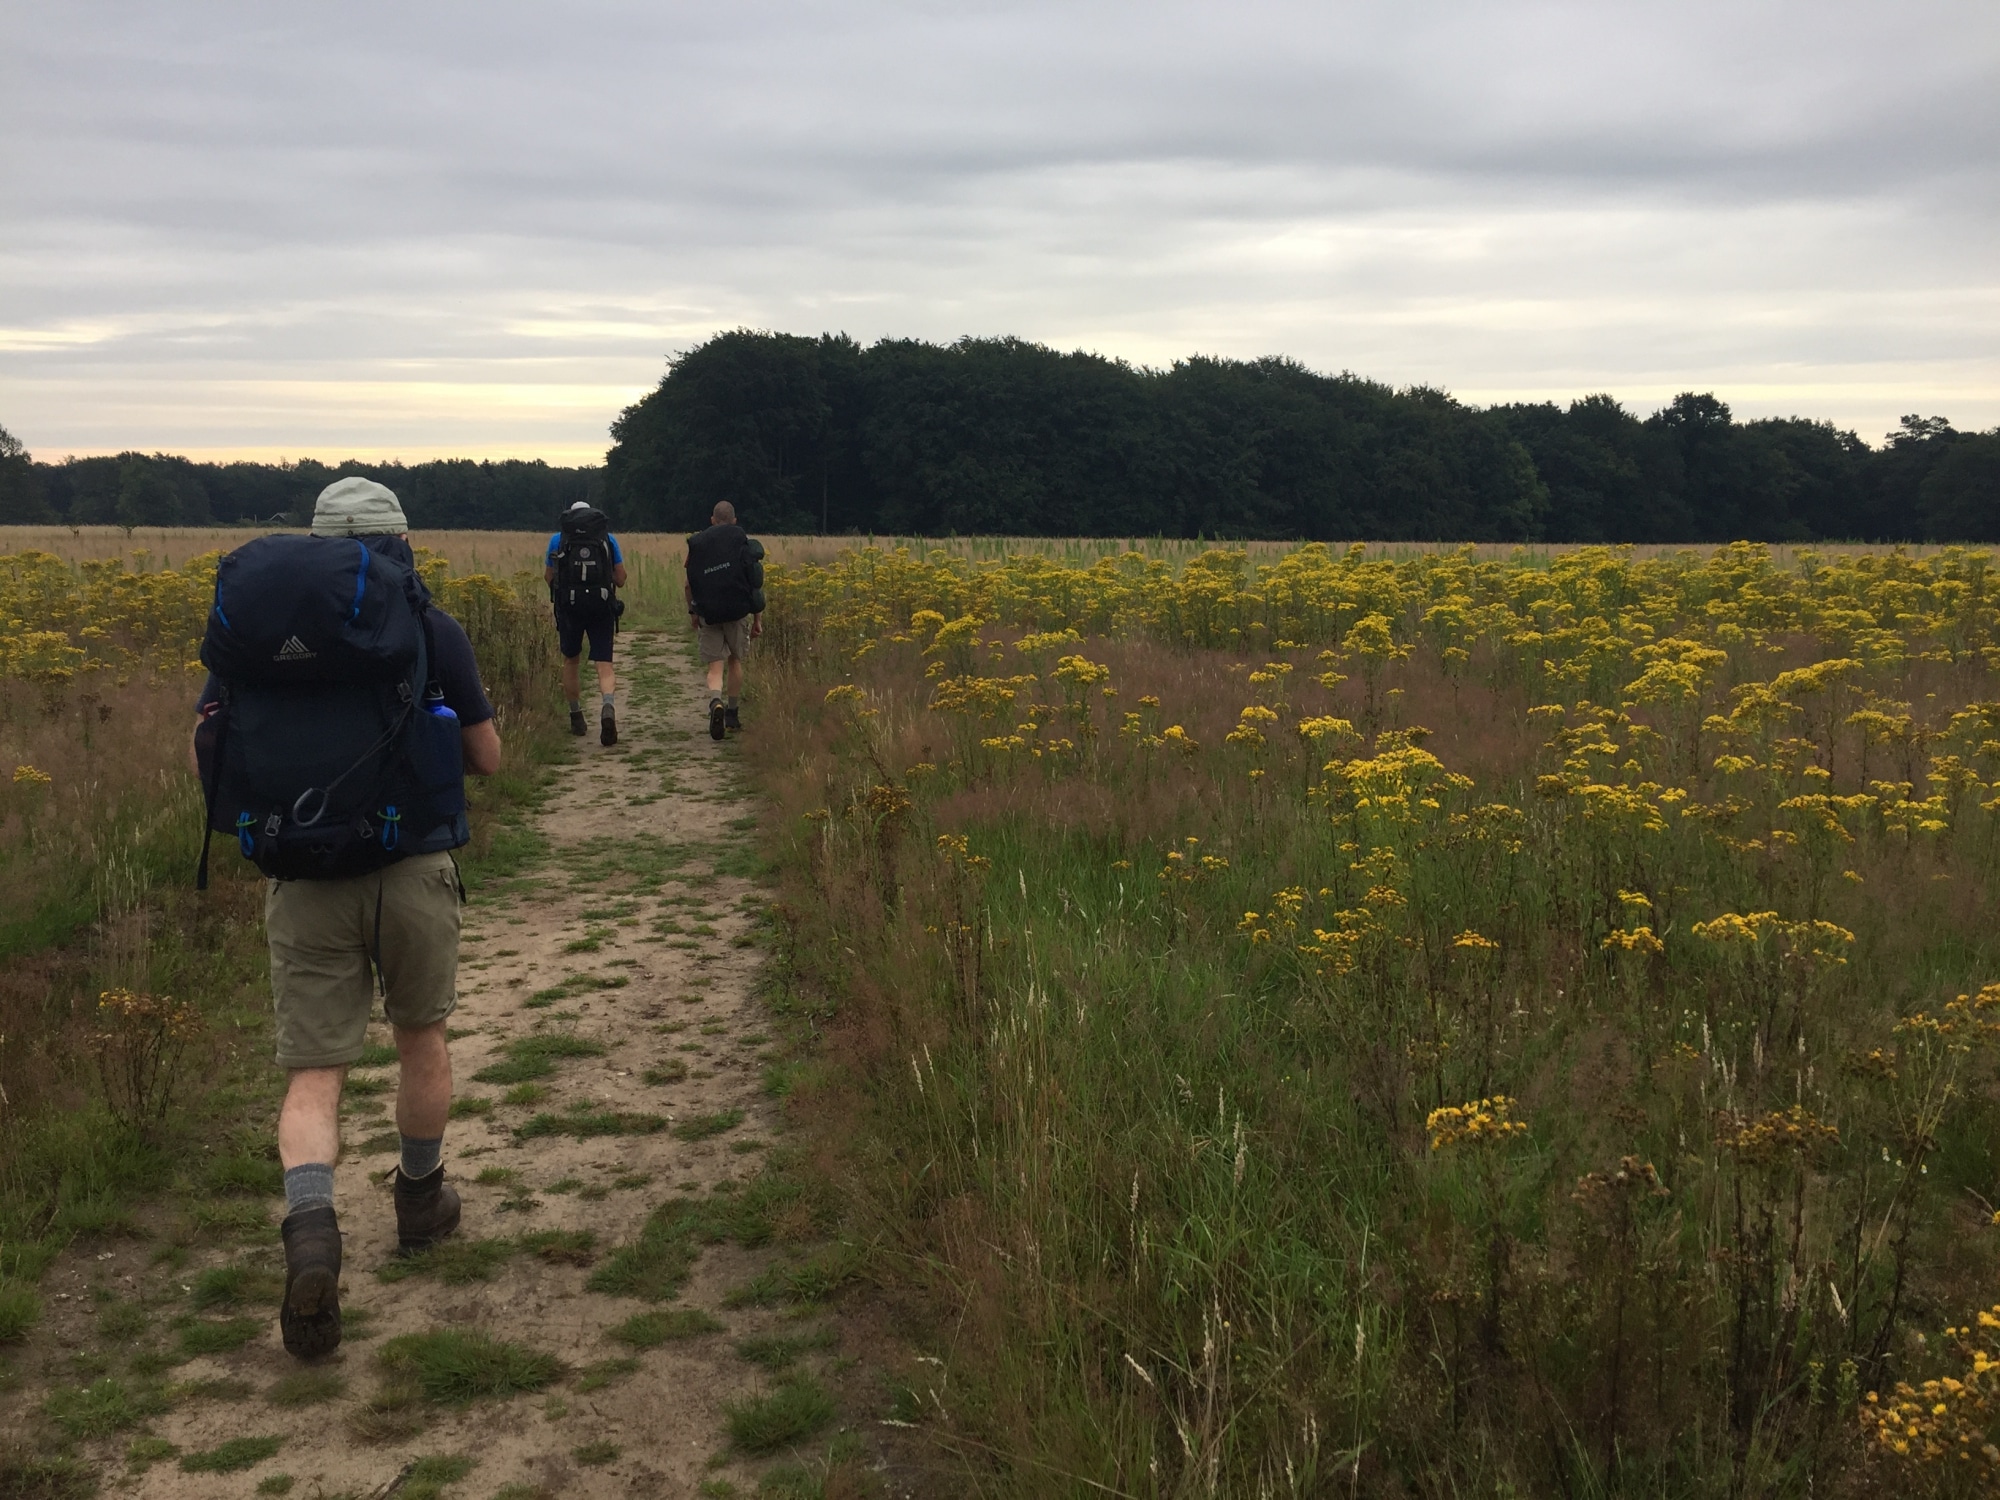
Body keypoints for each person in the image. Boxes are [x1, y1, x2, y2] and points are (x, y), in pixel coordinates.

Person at [192, 477, 502, 1361]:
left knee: (314, 1071)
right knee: (421, 1037)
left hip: (301, 875)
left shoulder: (252, 634)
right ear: (400, 541)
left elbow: (207, 751)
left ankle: (314, 1233)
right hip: (410, 868)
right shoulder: (428, 625)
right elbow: (484, 755)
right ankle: (419, 1202)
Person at [545, 501, 628, 745]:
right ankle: (608, 707)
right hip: (601, 607)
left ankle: (576, 716)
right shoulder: (608, 539)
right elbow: (621, 579)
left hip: (570, 609)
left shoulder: (557, 540)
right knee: (604, 663)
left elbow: (549, 576)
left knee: (571, 661)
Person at [684, 501, 765, 740]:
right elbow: (755, 584)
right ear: (734, 520)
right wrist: (757, 619)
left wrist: (693, 612)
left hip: (709, 612)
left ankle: (715, 701)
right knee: (735, 660)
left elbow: (688, 585)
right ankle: (732, 713)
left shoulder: (698, 543)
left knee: (714, 665)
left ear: (712, 520)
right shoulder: (741, 541)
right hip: (737, 611)